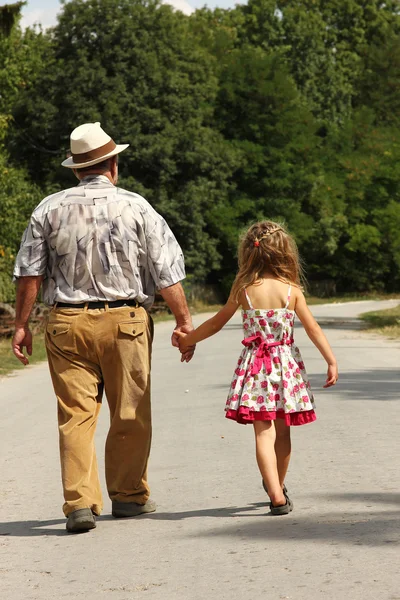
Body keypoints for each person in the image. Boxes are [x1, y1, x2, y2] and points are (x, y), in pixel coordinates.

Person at [12, 122, 195, 533]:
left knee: (75, 415)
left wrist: (21, 325)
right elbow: (166, 272)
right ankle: (128, 497)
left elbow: (29, 274)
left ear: (76, 168)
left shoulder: (48, 208)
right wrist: (184, 323)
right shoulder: (137, 207)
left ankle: (79, 502)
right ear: (112, 164)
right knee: (130, 411)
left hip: (65, 322)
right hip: (126, 320)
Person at [175, 221, 338, 515]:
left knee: (263, 433)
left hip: (256, 368)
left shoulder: (245, 290)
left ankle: (274, 491)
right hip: (286, 369)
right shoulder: (292, 291)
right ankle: (278, 486)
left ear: (250, 253)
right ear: (285, 253)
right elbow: (313, 328)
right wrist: (330, 360)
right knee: (284, 433)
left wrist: (188, 338)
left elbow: (216, 322)